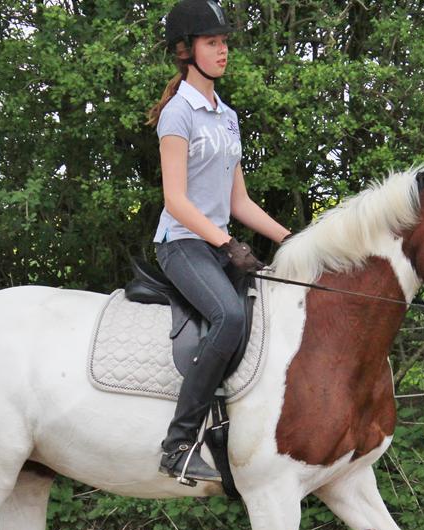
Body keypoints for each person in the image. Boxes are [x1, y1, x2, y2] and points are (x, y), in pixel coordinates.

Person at [147, 0, 291, 484]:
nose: (223, 50)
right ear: (187, 51)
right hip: (183, 242)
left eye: (225, 42)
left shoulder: (226, 117)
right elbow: (177, 200)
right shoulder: (177, 115)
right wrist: (228, 245)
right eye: (213, 43)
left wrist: (290, 238)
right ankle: (179, 444)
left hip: (216, 240)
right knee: (228, 316)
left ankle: (234, 432)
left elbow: (239, 201)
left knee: (268, 309)